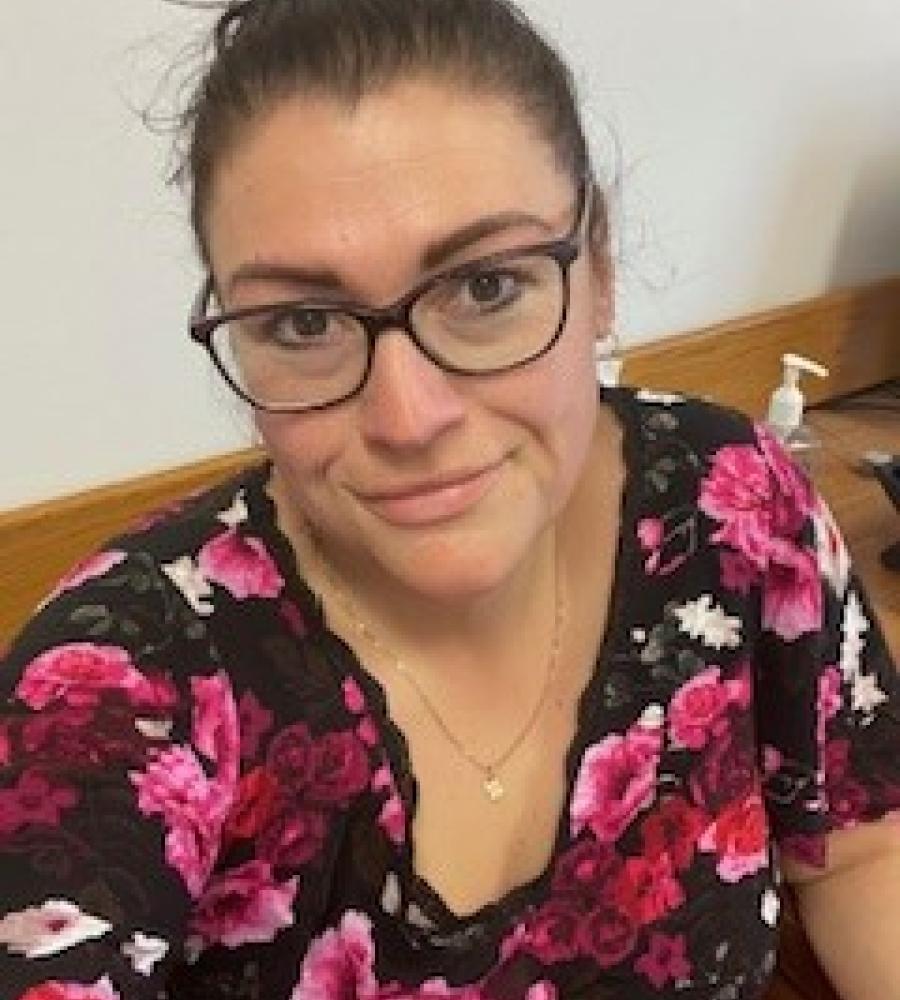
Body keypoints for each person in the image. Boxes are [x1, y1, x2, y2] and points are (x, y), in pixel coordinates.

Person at [1, 1, 898, 997]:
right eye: (304, 321)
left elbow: (859, 849)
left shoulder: (729, 504)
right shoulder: (119, 684)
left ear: (597, 271)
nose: (407, 415)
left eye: (483, 288)